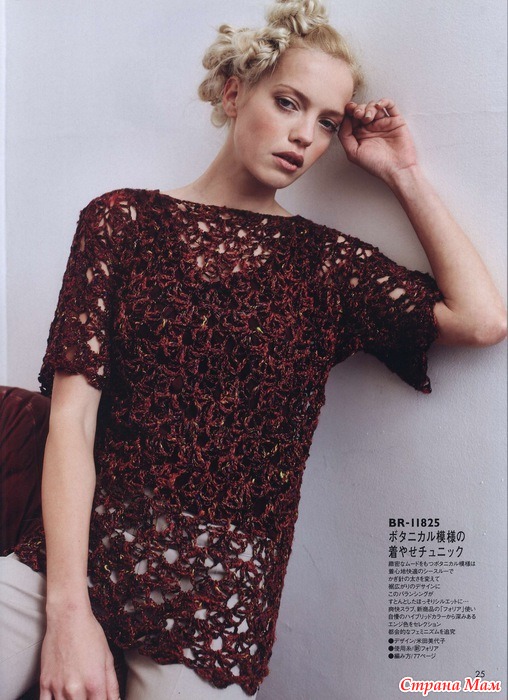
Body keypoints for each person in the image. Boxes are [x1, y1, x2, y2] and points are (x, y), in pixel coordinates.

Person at [1, 0, 506, 699]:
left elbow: (480, 320)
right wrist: (67, 614)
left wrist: (401, 172)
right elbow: (71, 420)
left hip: (214, 599)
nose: (303, 135)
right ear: (234, 92)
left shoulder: (324, 268)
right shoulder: (121, 222)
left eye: (325, 122)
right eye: (288, 102)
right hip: (67, 557)